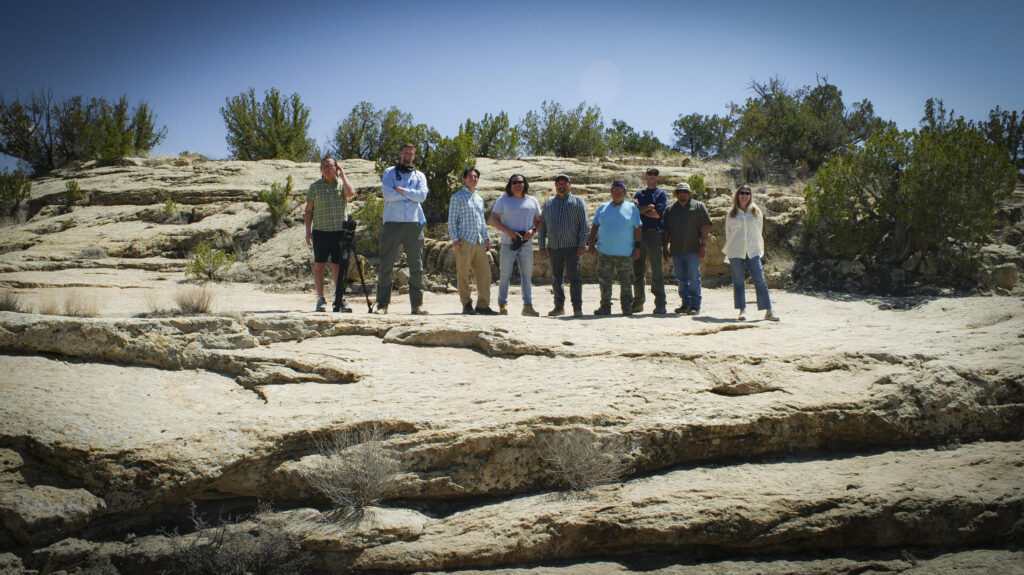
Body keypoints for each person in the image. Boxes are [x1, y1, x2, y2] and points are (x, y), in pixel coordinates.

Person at [377, 143, 429, 315]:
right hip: (392, 222)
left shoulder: (419, 176)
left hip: (413, 223)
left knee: (416, 265)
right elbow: (388, 195)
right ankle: (382, 304)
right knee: (386, 264)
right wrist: (410, 194)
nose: (408, 156)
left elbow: (421, 196)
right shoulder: (389, 173)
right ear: (400, 153)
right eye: (405, 152)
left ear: (414, 156)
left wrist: (402, 191)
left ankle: (417, 305)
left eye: (411, 153)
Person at [304, 155, 356, 312]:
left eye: (330, 166)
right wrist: (308, 231)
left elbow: (351, 193)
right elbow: (308, 210)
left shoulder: (341, 185)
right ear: (320, 169)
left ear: (336, 168)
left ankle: (340, 298)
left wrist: (344, 174)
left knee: (338, 266)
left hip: (339, 232)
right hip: (321, 231)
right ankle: (320, 299)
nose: (327, 169)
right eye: (324, 166)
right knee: (319, 264)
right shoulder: (314, 187)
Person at [723, 185, 779, 321]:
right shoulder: (731, 213)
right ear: (737, 195)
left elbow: (759, 231)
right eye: (742, 193)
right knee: (738, 281)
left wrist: (758, 248)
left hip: (752, 251)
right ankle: (742, 311)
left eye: (747, 193)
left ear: (750, 195)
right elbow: (728, 232)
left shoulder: (756, 212)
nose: (744, 195)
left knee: (759, 279)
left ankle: (769, 311)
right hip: (736, 250)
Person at [489, 174, 542, 316]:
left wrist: (533, 230)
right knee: (505, 275)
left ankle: (528, 306)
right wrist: (509, 232)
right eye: (514, 182)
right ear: (510, 185)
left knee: (526, 276)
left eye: (520, 182)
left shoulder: (532, 201)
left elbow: (539, 220)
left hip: (526, 244)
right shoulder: (503, 200)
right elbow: (493, 219)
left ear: (525, 184)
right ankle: (502, 305)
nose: (517, 185)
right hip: (508, 243)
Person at [587, 180, 642, 316]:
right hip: (605, 252)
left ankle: (626, 307)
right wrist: (591, 243)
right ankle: (605, 306)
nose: (617, 192)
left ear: (624, 193)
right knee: (604, 280)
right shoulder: (603, 207)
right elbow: (595, 226)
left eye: (620, 190)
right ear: (611, 192)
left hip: (625, 252)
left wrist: (637, 247)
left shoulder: (632, 208)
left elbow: (638, 229)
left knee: (626, 280)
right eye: (614, 190)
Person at [538, 174, 589, 318]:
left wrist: (581, 245)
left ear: (569, 185)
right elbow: (542, 227)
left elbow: (584, 227)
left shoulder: (578, 202)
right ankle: (559, 307)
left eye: (564, 183)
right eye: (558, 183)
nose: (561, 185)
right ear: (555, 186)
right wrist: (542, 245)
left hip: (572, 247)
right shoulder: (548, 204)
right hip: (554, 248)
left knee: (575, 278)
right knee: (556, 278)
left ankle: (577, 308)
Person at [449, 167, 496, 315]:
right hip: (464, 240)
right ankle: (466, 304)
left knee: (485, 273)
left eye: (475, 176)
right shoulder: (457, 197)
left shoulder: (479, 198)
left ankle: (483, 305)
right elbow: (452, 220)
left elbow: (481, 220)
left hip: (478, 241)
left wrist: (486, 238)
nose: (473, 179)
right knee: (463, 273)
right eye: (469, 176)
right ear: (464, 179)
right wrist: (455, 239)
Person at [662, 182, 711, 316]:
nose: (682, 194)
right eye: (679, 192)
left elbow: (705, 226)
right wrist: (665, 247)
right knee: (681, 278)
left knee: (694, 276)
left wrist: (703, 245)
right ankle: (685, 304)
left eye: (684, 191)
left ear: (689, 193)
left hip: (693, 249)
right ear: (676, 194)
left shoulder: (698, 207)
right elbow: (666, 230)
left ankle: (695, 305)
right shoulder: (670, 210)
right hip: (677, 249)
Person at [632, 168, 669, 314]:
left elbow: (657, 215)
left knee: (656, 270)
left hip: (654, 234)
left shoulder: (661, 194)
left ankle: (660, 303)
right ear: (645, 176)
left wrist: (641, 208)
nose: (652, 176)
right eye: (650, 174)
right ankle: (638, 302)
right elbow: (634, 212)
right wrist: (648, 207)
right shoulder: (639, 193)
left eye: (655, 174)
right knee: (638, 270)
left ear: (658, 177)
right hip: (639, 234)